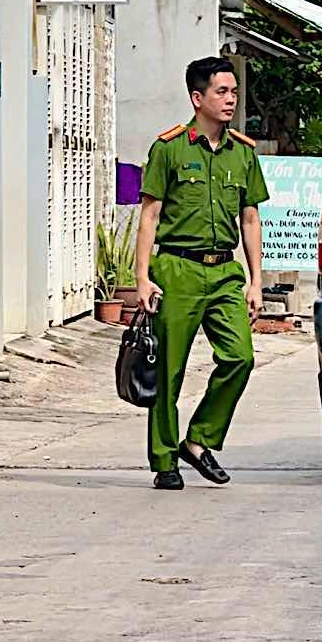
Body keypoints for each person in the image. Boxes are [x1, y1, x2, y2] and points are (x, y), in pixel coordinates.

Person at [134, 56, 269, 490]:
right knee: (169, 372)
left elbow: (250, 219)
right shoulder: (170, 149)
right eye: (221, 92)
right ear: (198, 98)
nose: (231, 100)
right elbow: (149, 217)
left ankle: (198, 440)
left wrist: (255, 280)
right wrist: (142, 277)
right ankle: (164, 461)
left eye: (233, 92)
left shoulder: (243, 154)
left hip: (224, 272)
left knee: (240, 358)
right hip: (177, 269)